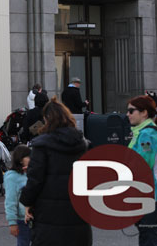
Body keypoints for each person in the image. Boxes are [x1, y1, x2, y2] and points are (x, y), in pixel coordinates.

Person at [20, 97, 91, 246]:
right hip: (78, 211)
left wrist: (27, 202)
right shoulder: (82, 144)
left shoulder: (42, 145)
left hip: (49, 214)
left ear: (47, 119)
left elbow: (35, 180)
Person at [127, 95, 157, 246]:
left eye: (131, 111)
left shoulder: (147, 134)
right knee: (147, 231)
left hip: (151, 191)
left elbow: (142, 164)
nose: (127, 114)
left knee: (148, 233)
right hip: (149, 190)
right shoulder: (144, 132)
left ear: (144, 113)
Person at [4, 144, 31, 246]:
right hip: (22, 220)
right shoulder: (12, 177)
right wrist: (12, 222)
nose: (31, 159)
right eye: (28, 157)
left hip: (35, 218)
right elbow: (10, 201)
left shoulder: (31, 172)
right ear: (20, 160)